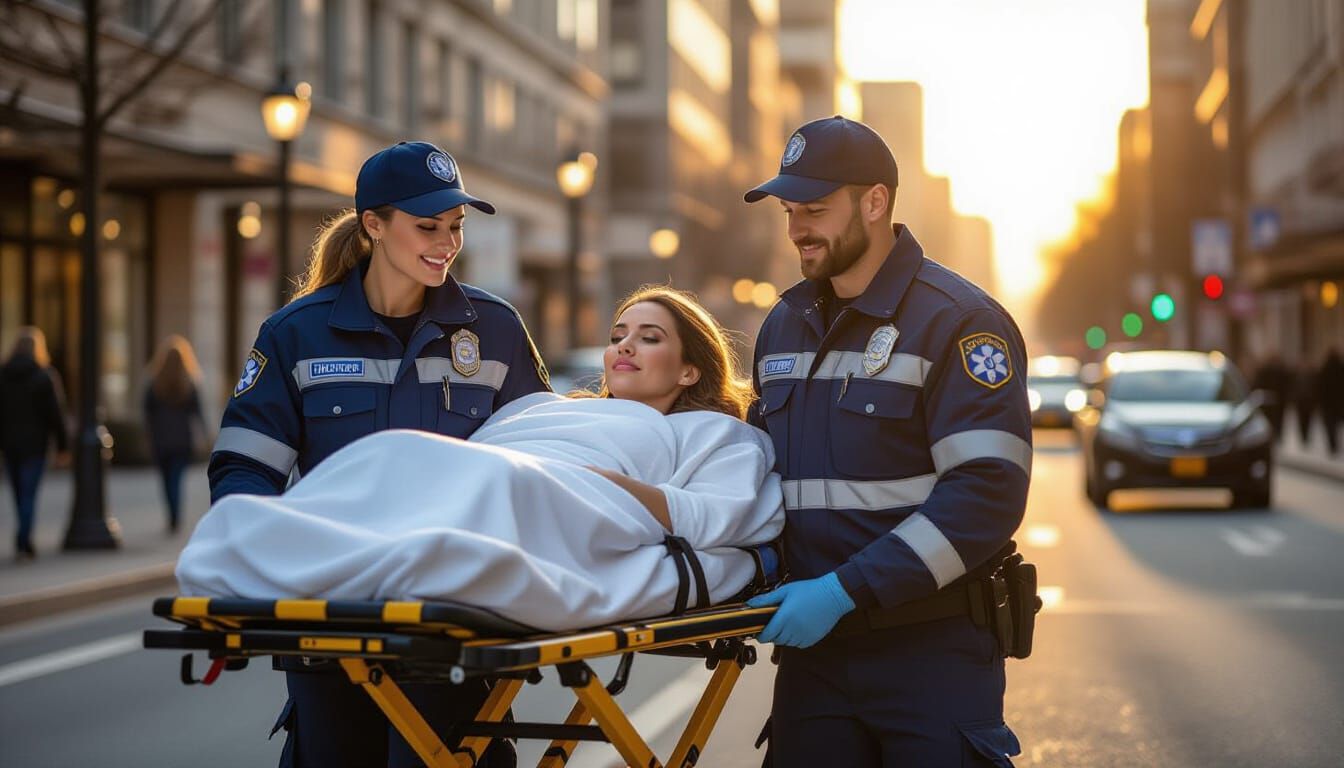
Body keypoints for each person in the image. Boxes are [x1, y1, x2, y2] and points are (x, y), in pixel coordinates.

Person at [209, 141, 549, 768]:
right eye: (427, 227)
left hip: (456, 622)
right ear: (373, 225)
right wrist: (245, 565)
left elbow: (545, 460)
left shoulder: (495, 328)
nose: (447, 243)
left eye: (456, 227)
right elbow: (244, 469)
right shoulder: (294, 334)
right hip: (331, 620)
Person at [179, 286, 783, 630]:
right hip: (488, 473)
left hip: (552, 497)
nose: (624, 344)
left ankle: (319, 557)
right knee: (394, 454)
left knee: (498, 489)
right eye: (619, 333)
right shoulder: (543, 408)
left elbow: (723, 521)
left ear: (689, 369)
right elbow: (470, 459)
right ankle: (282, 542)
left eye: (649, 337)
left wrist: (605, 486)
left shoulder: (712, 435)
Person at [741, 116, 1032, 766]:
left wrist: (847, 589)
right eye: (789, 211)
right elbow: (759, 482)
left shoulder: (959, 323)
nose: (797, 229)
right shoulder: (782, 327)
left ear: (875, 202)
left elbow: (985, 496)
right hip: (816, 663)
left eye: (814, 209)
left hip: (930, 655)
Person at [0, 327, 69, 560]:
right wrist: (62, 446)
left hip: (10, 445)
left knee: (19, 493)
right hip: (35, 445)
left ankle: (23, 536)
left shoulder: (4, 374)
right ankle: (24, 539)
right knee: (28, 494)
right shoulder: (44, 376)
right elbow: (56, 415)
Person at [144, 335, 208, 534]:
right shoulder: (189, 383)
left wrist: (148, 436)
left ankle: (172, 516)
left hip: (161, 439)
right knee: (176, 480)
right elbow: (198, 413)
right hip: (181, 440)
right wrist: (204, 435)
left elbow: (147, 413)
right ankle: (175, 517)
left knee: (165, 480)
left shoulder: (154, 383)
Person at [1318, 346, 1343, 455]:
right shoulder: (1340, 368)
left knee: (1330, 425)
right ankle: (1334, 444)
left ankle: (1333, 445)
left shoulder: (1325, 368)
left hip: (1328, 404)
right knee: (1335, 425)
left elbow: (1320, 387)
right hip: (1338, 403)